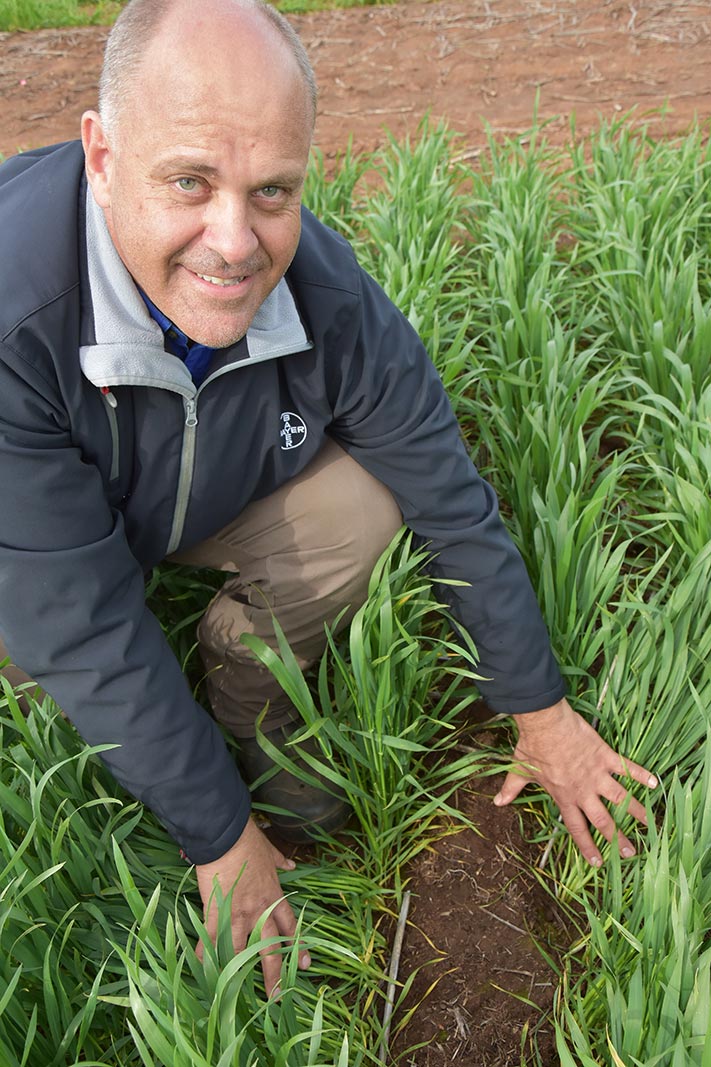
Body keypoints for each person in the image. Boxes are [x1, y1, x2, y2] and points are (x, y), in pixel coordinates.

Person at [0, 0, 657, 999]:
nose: (234, 241)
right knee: (59, 680)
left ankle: (259, 714)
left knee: (364, 508)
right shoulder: (16, 315)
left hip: (194, 488)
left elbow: (448, 496)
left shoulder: (324, 292)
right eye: (189, 181)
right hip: (35, 520)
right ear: (100, 155)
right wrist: (223, 841)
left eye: (272, 190)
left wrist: (542, 710)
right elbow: (86, 629)